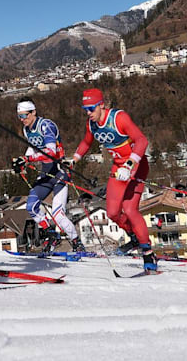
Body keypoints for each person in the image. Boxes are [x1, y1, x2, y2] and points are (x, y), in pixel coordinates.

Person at [67, 88, 158, 274]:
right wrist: (74, 159)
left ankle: (147, 252)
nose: (88, 113)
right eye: (85, 109)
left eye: (91, 108)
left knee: (130, 209)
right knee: (112, 212)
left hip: (136, 165)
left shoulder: (119, 118)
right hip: (118, 168)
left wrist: (130, 164)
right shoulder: (91, 124)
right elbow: (86, 142)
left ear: (101, 105)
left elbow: (142, 141)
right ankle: (133, 235)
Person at [12, 100, 83, 253]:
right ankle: (51, 235)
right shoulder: (26, 129)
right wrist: (22, 161)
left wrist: (28, 159)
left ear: (33, 112)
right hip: (46, 172)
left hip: (59, 172)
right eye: (19, 116)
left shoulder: (46, 126)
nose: (22, 119)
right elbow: (32, 148)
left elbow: (50, 152)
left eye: (24, 115)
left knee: (58, 215)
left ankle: (77, 243)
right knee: (31, 206)